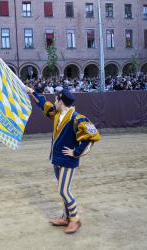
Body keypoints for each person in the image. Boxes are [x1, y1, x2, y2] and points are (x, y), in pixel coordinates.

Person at [26, 86, 100, 234]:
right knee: (63, 191)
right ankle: (66, 217)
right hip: (57, 159)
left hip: (68, 161)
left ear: (61, 101)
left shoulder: (76, 118)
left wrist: (76, 152)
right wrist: (32, 92)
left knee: (63, 190)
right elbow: (44, 105)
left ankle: (75, 219)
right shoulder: (57, 113)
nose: (54, 100)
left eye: (56, 98)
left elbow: (92, 136)